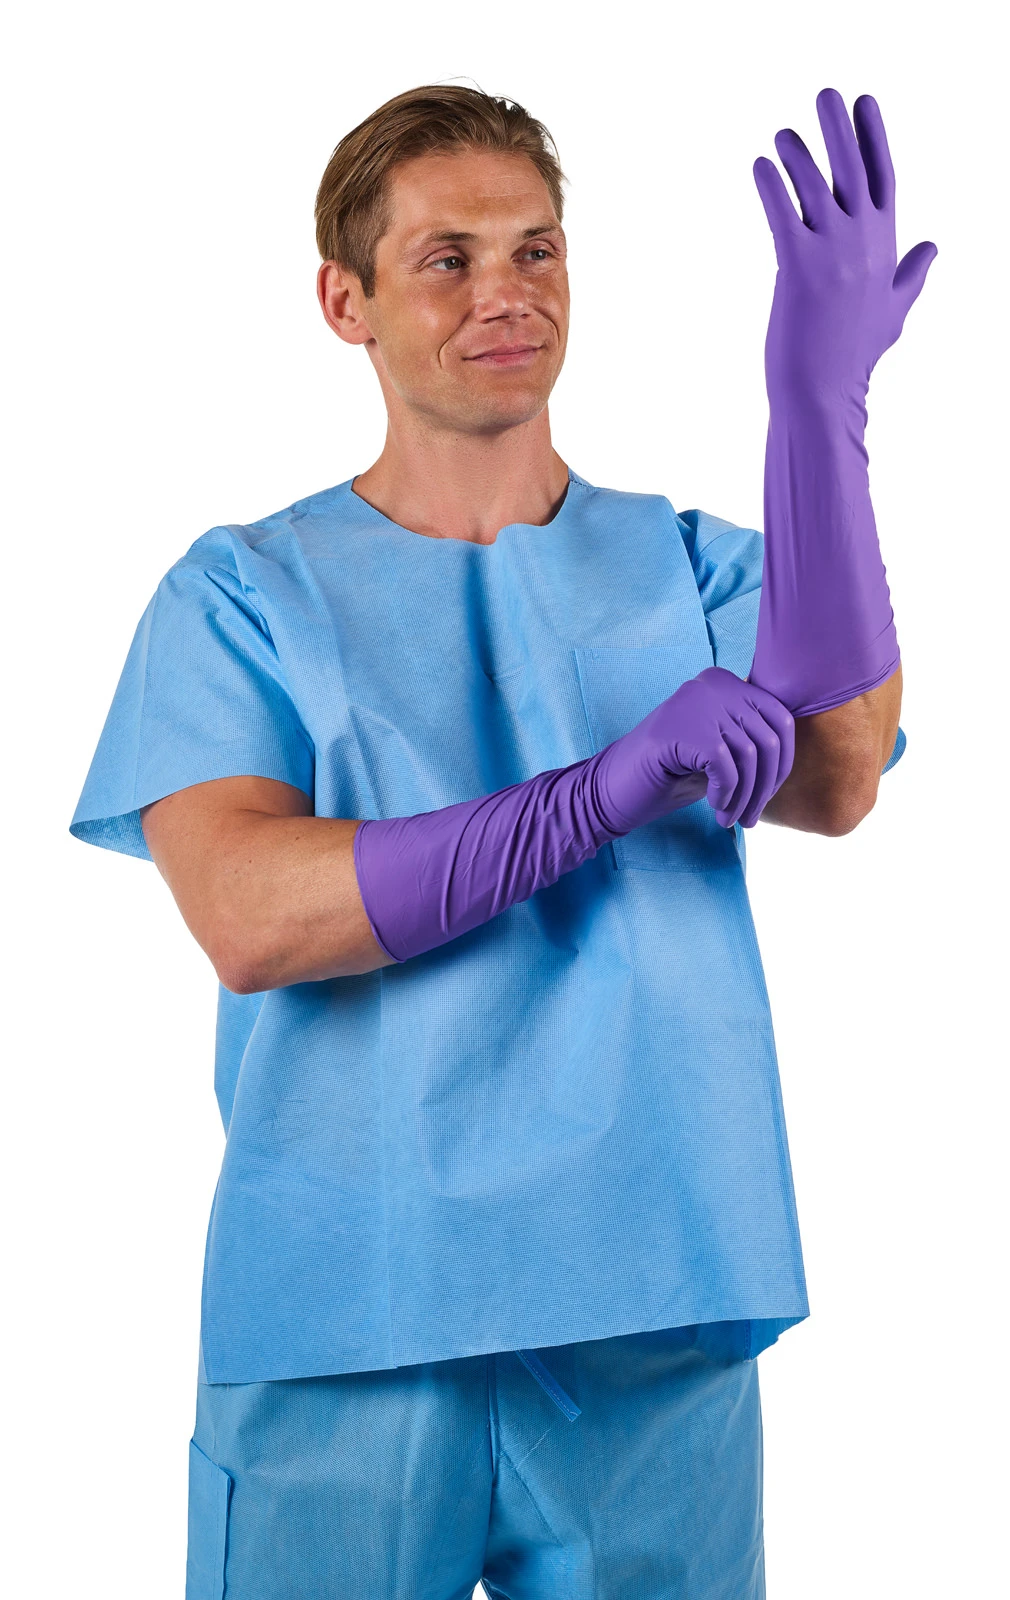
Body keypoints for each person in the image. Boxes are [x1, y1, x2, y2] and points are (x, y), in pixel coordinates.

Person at [70, 82, 934, 1600]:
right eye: (447, 259)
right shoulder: (243, 596)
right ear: (344, 301)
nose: (506, 294)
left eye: (535, 249)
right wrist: (600, 791)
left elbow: (840, 768)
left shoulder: (688, 569)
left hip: (651, 1301)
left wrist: (818, 409)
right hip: (353, 1312)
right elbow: (252, 915)